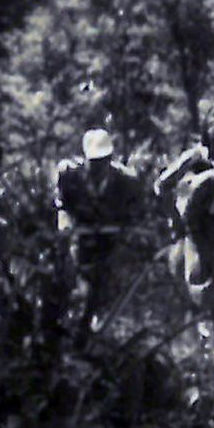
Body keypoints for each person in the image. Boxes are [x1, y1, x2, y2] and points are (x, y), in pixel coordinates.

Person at [156, 107, 214, 339]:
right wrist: (173, 217)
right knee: (200, 277)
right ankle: (205, 328)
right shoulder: (193, 157)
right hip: (195, 224)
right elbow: (162, 184)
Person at [55, 127, 146, 332]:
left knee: (105, 282)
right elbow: (62, 205)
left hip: (111, 239)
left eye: (103, 160)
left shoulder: (126, 180)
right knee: (75, 277)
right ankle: (73, 321)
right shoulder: (70, 175)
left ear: (110, 158)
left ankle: (99, 324)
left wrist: (126, 227)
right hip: (80, 235)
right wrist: (66, 225)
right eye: (93, 162)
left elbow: (137, 211)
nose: (98, 167)